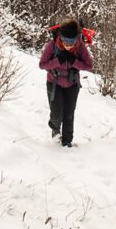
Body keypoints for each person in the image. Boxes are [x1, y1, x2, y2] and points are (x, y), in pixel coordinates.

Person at [39, 18, 93, 147]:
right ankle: (55, 131)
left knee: (69, 114)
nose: (68, 45)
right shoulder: (52, 45)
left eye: (72, 42)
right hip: (54, 82)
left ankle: (67, 142)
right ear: (60, 37)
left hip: (72, 83)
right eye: (65, 41)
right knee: (56, 113)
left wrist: (74, 61)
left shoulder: (80, 46)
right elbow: (42, 64)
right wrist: (58, 61)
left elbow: (88, 65)